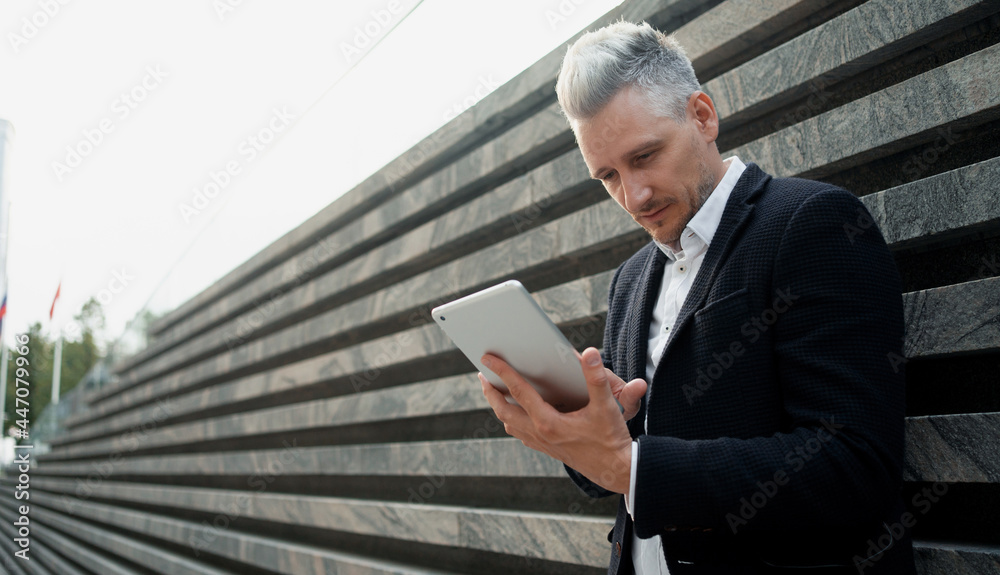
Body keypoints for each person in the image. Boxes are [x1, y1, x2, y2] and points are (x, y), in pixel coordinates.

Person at [478, 20, 916, 575]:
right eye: (607, 176)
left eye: (644, 157)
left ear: (703, 117)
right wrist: (582, 429)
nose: (633, 197)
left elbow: (856, 468)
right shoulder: (631, 279)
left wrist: (630, 467)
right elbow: (604, 477)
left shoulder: (811, 223)